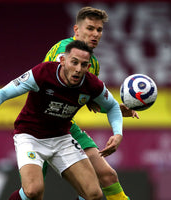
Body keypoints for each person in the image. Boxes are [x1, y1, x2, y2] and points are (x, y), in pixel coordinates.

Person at [0, 40, 123, 200]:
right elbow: (3, 93)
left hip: (61, 138)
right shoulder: (42, 73)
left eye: (84, 65)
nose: (78, 69)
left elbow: (113, 107)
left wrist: (117, 133)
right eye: (74, 62)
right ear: (62, 60)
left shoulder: (92, 85)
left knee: (94, 194)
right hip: (30, 136)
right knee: (33, 191)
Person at [43, 6, 138, 200]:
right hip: (39, 126)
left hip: (65, 126)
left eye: (99, 30)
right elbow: (61, 88)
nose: (95, 34)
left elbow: (87, 100)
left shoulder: (92, 64)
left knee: (107, 176)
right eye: (90, 28)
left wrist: (113, 108)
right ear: (76, 30)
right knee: (33, 192)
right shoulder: (64, 52)